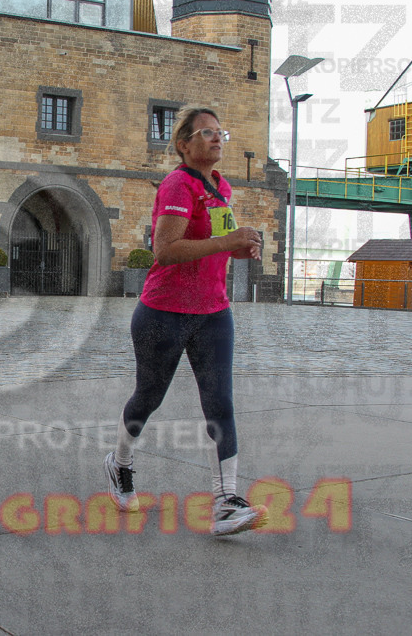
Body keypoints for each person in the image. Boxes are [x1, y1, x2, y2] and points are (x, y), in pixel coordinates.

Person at [104, 106, 269, 536]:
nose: (217, 139)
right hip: (164, 311)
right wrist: (225, 241)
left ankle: (226, 501)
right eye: (207, 133)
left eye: (220, 132)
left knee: (220, 404)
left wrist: (240, 247)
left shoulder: (220, 187)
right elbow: (166, 249)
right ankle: (120, 462)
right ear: (183, 144)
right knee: (148, 398)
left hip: (213, 312)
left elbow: (217, 244)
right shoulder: (179, 184)